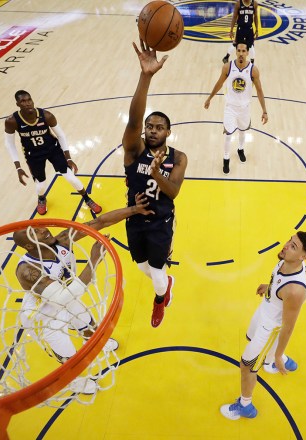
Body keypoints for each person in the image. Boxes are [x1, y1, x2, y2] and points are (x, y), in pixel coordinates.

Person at [14, 193, 153, 393]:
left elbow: (100, 222)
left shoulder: (61, 240)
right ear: (28, 246)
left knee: (87, 322)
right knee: (70, 357)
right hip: (43, 316)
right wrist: (93, 260)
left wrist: (134, 209)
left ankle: (94, 341)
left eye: (39, 226)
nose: (43, 229)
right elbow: (62, 298)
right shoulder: (27, 271)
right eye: (35, 233)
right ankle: (76, 382)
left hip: (64, 293)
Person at [122, 40, 188, 328]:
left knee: (158, 273)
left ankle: (160, 300)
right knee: (141, 266)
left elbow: (173, 192)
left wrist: (156, 172)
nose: (152, 130)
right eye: (150, 126)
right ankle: (164, 283)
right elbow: (133, 121)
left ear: (168, 132)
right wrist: (145, 76)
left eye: (159, 127)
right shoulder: (134, 150)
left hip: (161, 222)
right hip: (134, 217)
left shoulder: (179, 157)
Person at [220, 232, 306, 420]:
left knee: (246, 366)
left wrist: (280, 354)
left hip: (270, 327)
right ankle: (270, 361)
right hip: (265, 309)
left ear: (303, 257)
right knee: (252, 343)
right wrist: (270, 288)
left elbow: (288, 327)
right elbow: (280, 283)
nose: (286, 245)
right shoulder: (287, 260)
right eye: (290, 240)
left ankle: (246, 406)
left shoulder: (294, 291)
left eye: (293, 246)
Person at [5, 90, 102, 216]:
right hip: (33, 155)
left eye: (29, 100)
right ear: (17, 104)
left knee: (71, 177)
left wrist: (68, 158)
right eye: (23, 101)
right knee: (41, 186)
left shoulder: (46, 115)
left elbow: (61, 135)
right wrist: (18, 167)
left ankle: (87, 199)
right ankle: (41, 198)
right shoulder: (12, 121)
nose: (27, 103)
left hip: (53, 149)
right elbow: (10, 144)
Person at [204, 42, 267, 175]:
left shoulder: (253, 70)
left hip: (245, 108)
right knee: (228, 135)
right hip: (230, 108)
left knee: (243, 131)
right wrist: (210, 98)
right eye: (239, 51)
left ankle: (240, 149)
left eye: (244, 51)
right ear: (235, 52)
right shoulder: (228, 67)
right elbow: (219, 83)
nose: (241, 53)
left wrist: (264, 111)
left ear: (248, 53)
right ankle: (226, 158)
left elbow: (260, 90)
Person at [222, 0, 259, 65]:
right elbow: (234, 17)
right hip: (240, 28)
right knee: (236, 44)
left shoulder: (254, 4)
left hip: (249, 29)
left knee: (251, 46)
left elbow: (256, 17)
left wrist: (257, 30)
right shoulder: (238, 4)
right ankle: (226, 57)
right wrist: (231, 30)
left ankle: (252, 63)